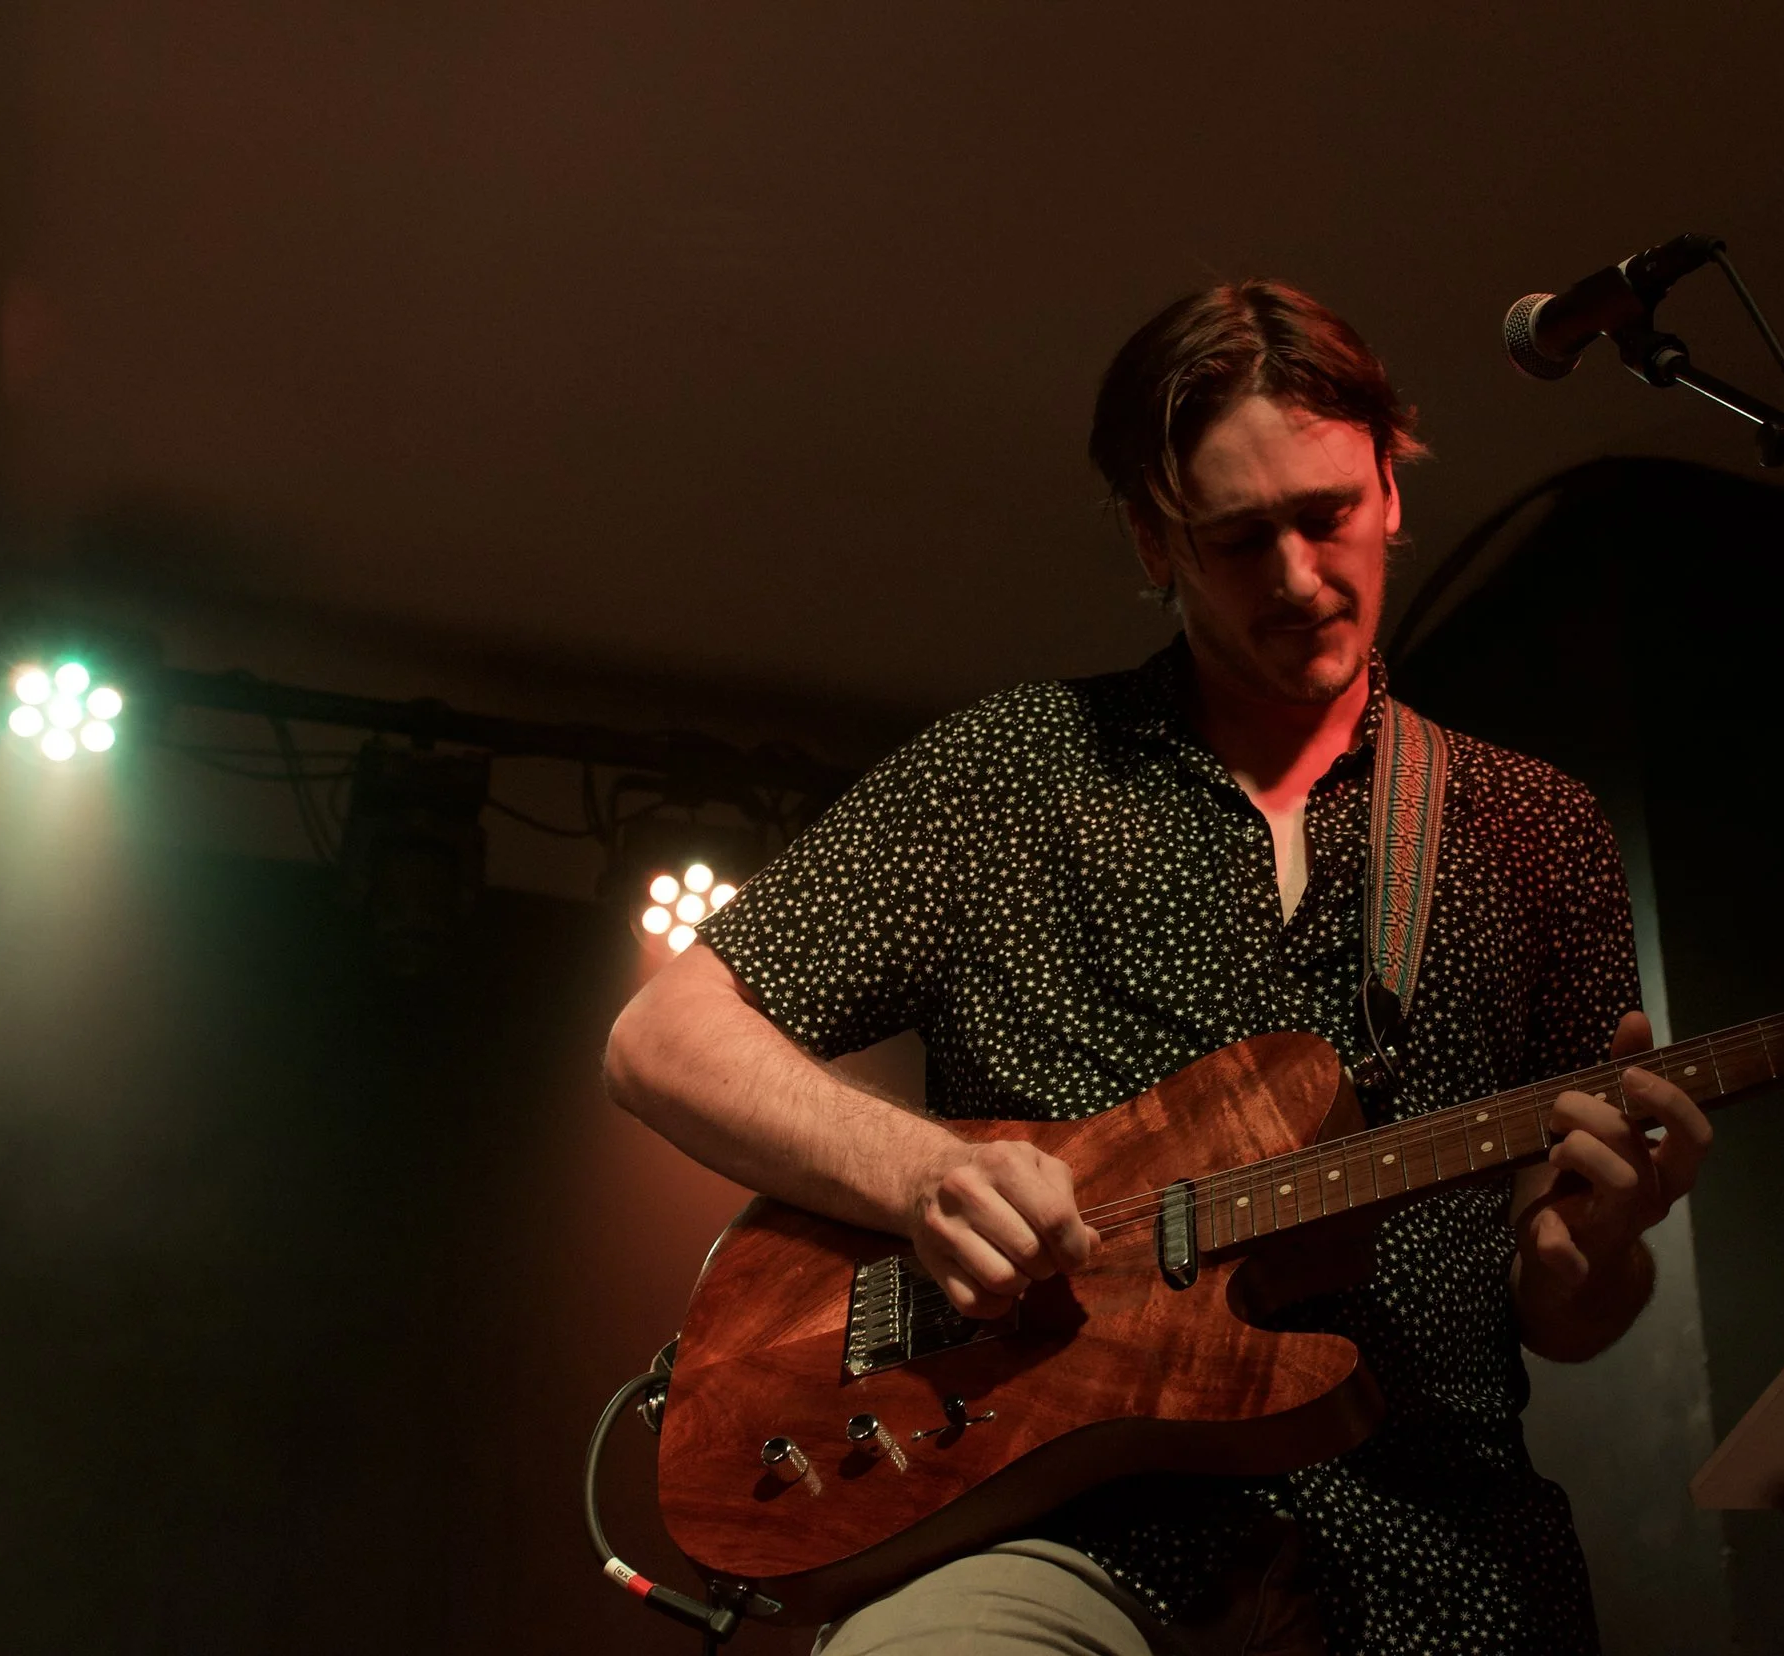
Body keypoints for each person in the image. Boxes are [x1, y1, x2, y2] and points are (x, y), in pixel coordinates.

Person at [602, 281, 1713, 1655]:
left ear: (1392, 481)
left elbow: (1566, 1314)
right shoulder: (1009, 774)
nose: (1302, 578)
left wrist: (1597, 1252)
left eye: (1329, 516)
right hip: (1057, 1528)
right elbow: (661, 1040)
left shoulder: (1531, 829)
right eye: (1240, 539)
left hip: (1437, 1543)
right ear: (1151, 540)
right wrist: (923, 1176)